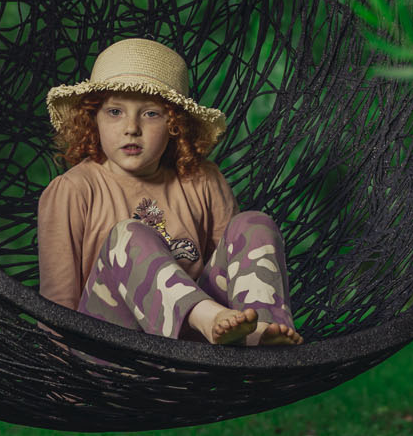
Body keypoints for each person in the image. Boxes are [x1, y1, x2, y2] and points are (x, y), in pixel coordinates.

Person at [38, 38, 303, 346]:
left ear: (175, 124)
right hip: (109, 352)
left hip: (194, 350)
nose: (131, 128)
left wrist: (234, 320)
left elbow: (232, 264)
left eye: (151, 114)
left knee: (254, 223)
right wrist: (65, 389)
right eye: (114, 112)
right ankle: (203, 314)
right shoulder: (73, 190)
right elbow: (56, 307)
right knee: (128, 234)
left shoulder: (202, 180)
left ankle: (264, 331)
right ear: (92, 118)